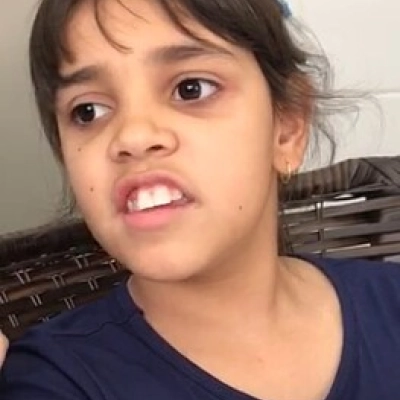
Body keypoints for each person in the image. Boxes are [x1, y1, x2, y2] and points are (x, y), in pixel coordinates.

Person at [1, 0, 400, 399]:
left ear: (287, 128)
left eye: (191, 89)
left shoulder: (391, 301)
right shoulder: (54, 380)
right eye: (88, 111)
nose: (133, 136)